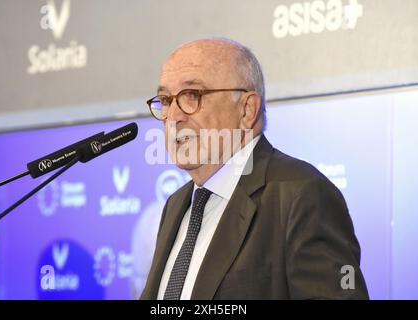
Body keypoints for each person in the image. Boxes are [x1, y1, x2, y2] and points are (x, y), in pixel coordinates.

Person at [140, 38, 369, 300]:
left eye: (192, 96)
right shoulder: (177, 204)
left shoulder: (302, 194)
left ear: (247, 109)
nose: (173, 116)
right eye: (166, 100)